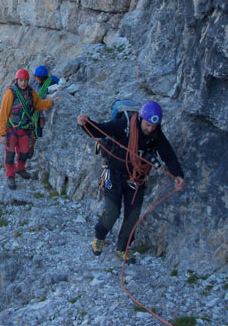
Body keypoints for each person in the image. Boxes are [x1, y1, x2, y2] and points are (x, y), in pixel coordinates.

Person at [76, 100, 185, 263]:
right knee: (112, 212)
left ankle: (122, 248)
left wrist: (178, 175)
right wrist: (86, 123)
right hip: (112, 173)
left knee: (132, 216)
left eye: (153, 127)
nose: (150, 129)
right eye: (148, 125)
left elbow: (167, 154)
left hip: (136, 178)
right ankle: (99, 236)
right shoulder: (124, 125)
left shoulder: (156, 134)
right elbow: (103, 129)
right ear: (141, 119)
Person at [0, 69, 56, 190]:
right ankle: (10, 176)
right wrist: (2, 134)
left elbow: (38, 104)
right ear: (16, 80)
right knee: (9, 154)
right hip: (11, 130)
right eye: (21, 80)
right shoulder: (10, 93)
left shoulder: (31, 92)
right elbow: (3, 114)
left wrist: (51, 102)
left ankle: (20, 169)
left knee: (24, 152)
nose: (23, 83)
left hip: (24, 129)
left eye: (25, 80)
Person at [27, 65, 60, 158]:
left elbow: (59, 84)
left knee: (38, 129)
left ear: (42, 77)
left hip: (42, 111)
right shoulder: (36, 84)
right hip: (35, 110)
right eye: (35, 76)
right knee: (33, 131)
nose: (36, 78)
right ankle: (30, 150)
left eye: (37, 76)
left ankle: (34, 150)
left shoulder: (50, 83)